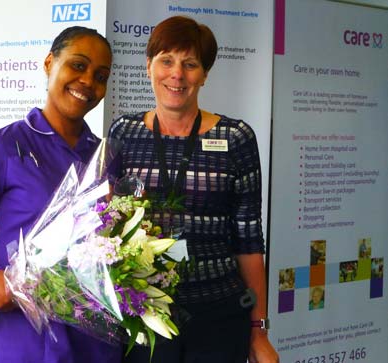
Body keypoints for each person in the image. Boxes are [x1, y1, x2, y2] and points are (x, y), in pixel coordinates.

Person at [0, 26, 122, 363]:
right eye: (77, 65)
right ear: (50, 63)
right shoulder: (3, 147)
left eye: (100, 75)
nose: (88, 82)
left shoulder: (106, 157)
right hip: (21, 340)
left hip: (93, 343)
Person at [108, 16, 278, 363]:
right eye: (166, 61)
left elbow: (248, 240)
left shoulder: (235, 138)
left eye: (190, 64)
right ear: (148, 66)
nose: (177, 74)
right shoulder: (124, 133)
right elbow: (109, 225)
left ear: (204, 74)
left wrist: (258, 331)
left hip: (217, 314)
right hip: (145, 315)